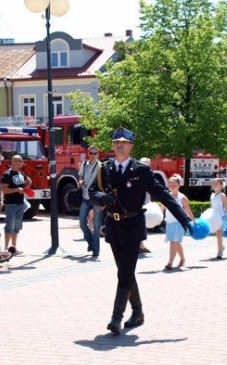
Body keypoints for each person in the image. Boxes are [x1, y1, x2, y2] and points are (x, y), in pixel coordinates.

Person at [89, 127, 192, 335]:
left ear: (131, 146)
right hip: (113, 226)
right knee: (124, 272)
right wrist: (101, 198)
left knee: (125, 272)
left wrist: (184, 219)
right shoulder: (105, 169)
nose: (119, 145)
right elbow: (91, 191)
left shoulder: (141, 171)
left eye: (123, 143)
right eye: (116, 142)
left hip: (133, 226)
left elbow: (163, 195)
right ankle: (138, 312)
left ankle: (116, 317)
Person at [163, 174, 196, 270]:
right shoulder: (167, 195)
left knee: (173, 242)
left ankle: (170, 263)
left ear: (178, 185)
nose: (172, 187)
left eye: (174, 185)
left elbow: (188, 211)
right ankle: (183, 259)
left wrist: (194, 221)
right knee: (176, 242)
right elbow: (163, 207)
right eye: (170, 185)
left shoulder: (182, 198)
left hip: (179, 222)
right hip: (169, 222)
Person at [0, 155, 32, 254]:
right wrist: (17, 190)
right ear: (14, 162)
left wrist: (26, 188)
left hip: (20, 204)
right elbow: (4, 189)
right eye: (21, 161)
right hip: (10, 204)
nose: (22, 163)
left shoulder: (21, 173)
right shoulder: (7, 174)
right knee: (10, 225)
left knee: (17, 227)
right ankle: (6, 247)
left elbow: (29, 181)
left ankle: (13, 247)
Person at [78, 146, 103, 257]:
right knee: (82, 223)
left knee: (97, 226)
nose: (93, 155)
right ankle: (91, 242)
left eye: (95, 153)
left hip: (96, 199)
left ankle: (96, 250)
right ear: (88, 153)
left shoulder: (101, 166)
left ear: (98, 154)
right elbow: (80, 177)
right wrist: (80, 181)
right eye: (91, 153)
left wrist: (103, 202)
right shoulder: (84, 164)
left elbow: (105, 184)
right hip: (85, 198)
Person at [210, 177, 227, 259]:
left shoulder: (222, 195)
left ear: (221, 185)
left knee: (219, 234)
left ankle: (220, 251)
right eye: (214, 183)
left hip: (221, 216)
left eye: (216, 183)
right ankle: (221, 246)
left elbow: (226, 207)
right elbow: (212, 207)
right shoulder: (212, 195)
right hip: (214, 217)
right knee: (217, 234)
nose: (214, 185)